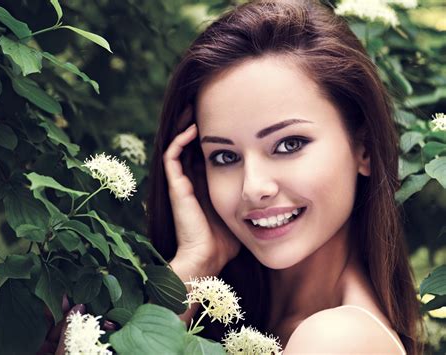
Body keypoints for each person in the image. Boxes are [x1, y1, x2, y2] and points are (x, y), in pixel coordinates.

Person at [147, 0, 423, 353]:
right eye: (225, 156)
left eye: (289, 144)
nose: (253, 188)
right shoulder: (256, 323)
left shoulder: (337, 339)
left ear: (363, 149)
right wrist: (197, 261)